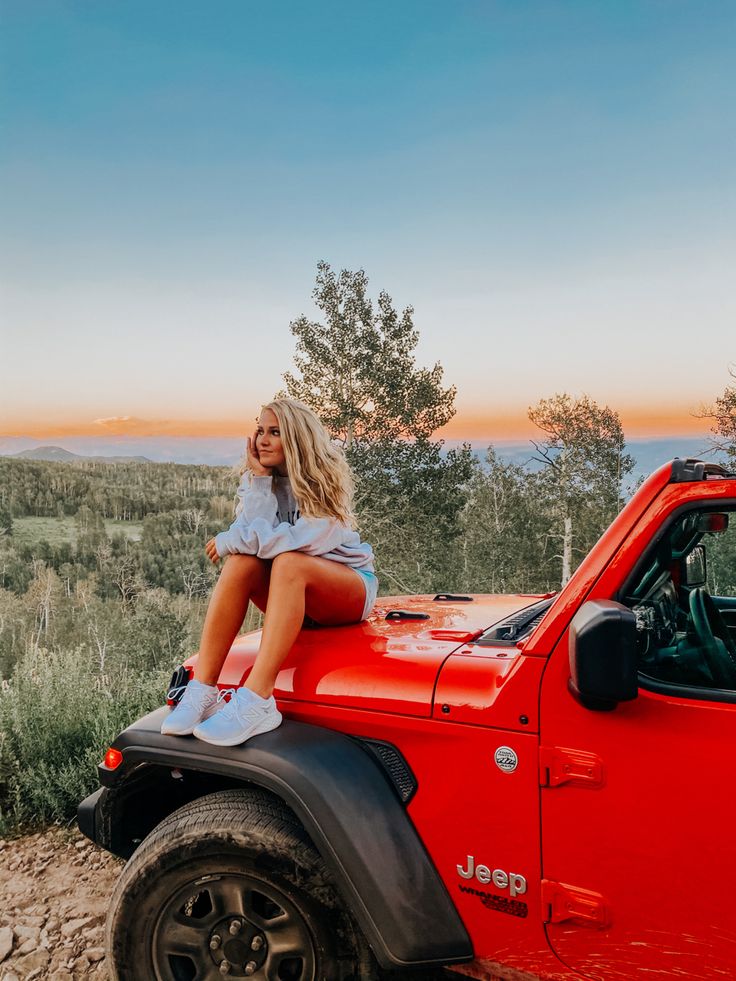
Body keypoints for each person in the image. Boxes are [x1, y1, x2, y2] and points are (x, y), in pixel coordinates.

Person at [161, 398, 377, 746]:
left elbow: (297, 544)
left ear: (295, 438)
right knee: (241, 563)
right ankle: (203, 690)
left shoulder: (322, 483)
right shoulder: (261, 481)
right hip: (292, 595)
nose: (262, 439)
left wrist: (232, 538)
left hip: (346, 590)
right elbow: (252, 542)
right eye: (259, 430)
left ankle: (258, 698)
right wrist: (260, 483)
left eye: (274, 432)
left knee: (288, 560)